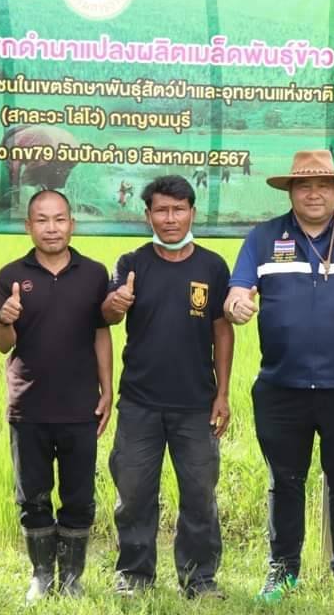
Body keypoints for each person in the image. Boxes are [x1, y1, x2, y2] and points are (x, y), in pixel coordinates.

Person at [224, 149, 334, 608]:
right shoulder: (263, 238)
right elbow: (238, 292)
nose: (315, 193)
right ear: (291, 191)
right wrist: (237, 304)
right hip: (281, 388)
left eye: (324, 184)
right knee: (285, 481)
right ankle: (283, 570)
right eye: (305, 185)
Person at [101, 175, 233, 599]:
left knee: (199, 495)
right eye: (161, 210)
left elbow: (223, 331)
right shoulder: (131, 263)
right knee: (135, 493)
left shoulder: (212, 266)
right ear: (148, 215)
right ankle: (134, 576)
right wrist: (115, 303)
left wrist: (223, 393)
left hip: (196, 403)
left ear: (192, 213)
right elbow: (109, 314)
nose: (170, 218)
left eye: (179, 210)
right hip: (139, 402)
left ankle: (199, 579)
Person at [0, 190, 112, 603]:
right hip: (29, 406)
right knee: (33, 495)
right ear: (29, 226)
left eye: (59, 219)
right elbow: (3, 344)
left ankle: (71, 578)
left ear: (71, 224)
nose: (51, 228)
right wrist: (6, 319)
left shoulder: (94, 273)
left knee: (79, 496)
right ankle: (41, 575)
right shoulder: (10, 274)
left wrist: (107, 389)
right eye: (42, 220)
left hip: (80, 406)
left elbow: (101, 332)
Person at [2, 125, 80, 205]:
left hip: (49, 150)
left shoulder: (14, 139)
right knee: (56, 185)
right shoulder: (33, 131)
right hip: (74, 151)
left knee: (28, 181)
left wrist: (15, 191)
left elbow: (14, 169)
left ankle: (26, 210)